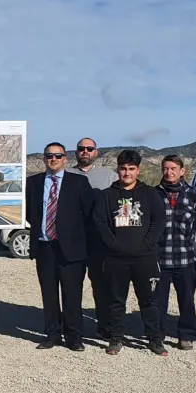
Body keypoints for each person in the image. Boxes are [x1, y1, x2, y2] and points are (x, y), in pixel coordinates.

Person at [24, 142, 98, 351]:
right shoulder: (33, 183)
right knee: (49, 293)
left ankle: (74, 336)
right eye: (49, 155)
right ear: (44, 158)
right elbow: (29, 212)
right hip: (45, 246)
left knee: (72, 294)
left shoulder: (78, 182)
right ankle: (52, 334)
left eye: (58, 156)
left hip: (71, 249)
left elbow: (89, 214)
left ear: (65, 159)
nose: (53, 159)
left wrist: (78, 238)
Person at [93, 150, 166, 356]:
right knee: (116, 302)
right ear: (118, 169)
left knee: (149, 301)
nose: (127, 173)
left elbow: (159, 221)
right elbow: (100, 222)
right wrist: (113, 244)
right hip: (116, 258)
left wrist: (147, 243)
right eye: (123, 168)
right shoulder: (107, 195)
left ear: (138, 170)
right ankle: (116, 338)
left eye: (131, 169)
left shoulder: (150, 193)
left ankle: (155, 339)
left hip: (145, 257)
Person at [67, 137, 116, 337]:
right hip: (73, 240)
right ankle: (73, 328)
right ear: (76, 152)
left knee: (102, 286)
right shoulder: (66, 174)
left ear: (96, 152)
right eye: (81, 148)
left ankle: (105, 326)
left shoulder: (109, 176)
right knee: (72, 286)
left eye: (89, 148)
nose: (85, 151)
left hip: (99, 241)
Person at [154, 155, 196, 350]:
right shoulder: (154, 194)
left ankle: (186, 335)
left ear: (182, 171)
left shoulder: (194, 195)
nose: (169, 172)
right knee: (158, 301)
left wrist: (187, 244)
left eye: (173, 168)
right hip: (160, 257)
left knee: (187, 299)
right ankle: (157, 335)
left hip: (185, 258)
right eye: (166, 168)